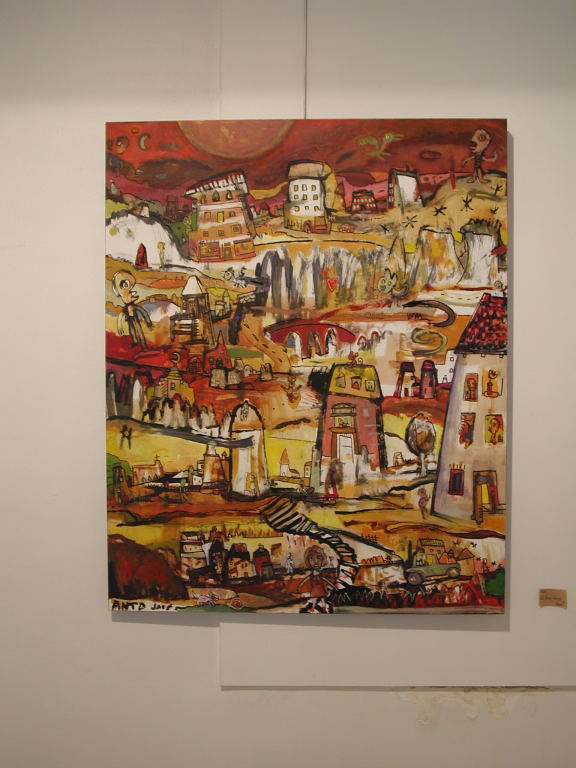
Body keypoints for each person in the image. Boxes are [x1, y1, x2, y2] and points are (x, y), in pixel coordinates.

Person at [112, 270, 152, 349]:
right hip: (129, 315)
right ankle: (135, 341)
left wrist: (148, 321)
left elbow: (143, 312)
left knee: (138, 328)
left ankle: (143, 344)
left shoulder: (130, 297)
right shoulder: (124, 296)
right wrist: (119, 325)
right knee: (132, 329)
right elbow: (121, 316)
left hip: (134, 313)